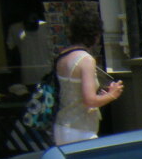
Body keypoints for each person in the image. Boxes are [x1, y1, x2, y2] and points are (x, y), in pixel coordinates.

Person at [53, 9, 124, 145]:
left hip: (62, 125)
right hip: (81, 128)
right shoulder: (86, 60)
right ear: (95, 35)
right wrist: (112, 94)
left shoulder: (63, 56)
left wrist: (102, 96)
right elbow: (90, 101)